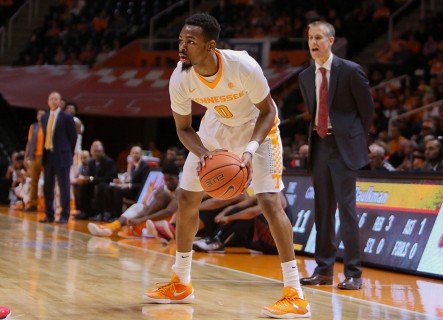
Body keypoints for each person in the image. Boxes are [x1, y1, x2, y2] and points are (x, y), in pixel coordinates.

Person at [143, 13, 309, 319]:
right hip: (215, 127)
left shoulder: (242, 65)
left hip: (257, 128)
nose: (182, 47)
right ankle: (181, 282)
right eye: (180, 40)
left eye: (190, 41)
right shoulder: (180, 77)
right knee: (186, 198)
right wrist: (203, 153)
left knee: (270, 202)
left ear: (210, 46)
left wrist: (249, 150)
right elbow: (183, 129)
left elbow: (268, 111)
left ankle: (294, 293)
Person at [298, 21, 374, 290]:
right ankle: (323, 270)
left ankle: (353, 273)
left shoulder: (351, 71)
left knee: (347, 210)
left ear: (331, 41)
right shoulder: (305, 76)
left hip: (344, 148)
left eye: (318, 37)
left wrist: (354, 140)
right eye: (310, 38)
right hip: (319, 146)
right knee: (322, 211)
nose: (313, 42)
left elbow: (367, 112)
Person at [88, 162, 179, 237]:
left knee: (162, 196)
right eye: (166, 180)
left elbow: (168, 212)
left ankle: (137, 227)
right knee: (138, 206)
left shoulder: (181, 191)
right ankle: (110, 227)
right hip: (151, 218)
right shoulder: (162, 188)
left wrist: (141, 219)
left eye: (170, 180)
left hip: (169, 223)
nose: (168, 183)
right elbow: (149, 207)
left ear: (177, 178)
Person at [40, 91, 77, 224]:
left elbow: (73, 137)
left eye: (56, 99)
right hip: (48, 155)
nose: (54, 101)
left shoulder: (66, 117)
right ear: (48, 102)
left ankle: (64, 215)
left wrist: (68, 152)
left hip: (62, 156)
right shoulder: (44, 117)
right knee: (47, 187)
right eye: (52, 99)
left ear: (60, 102)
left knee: (64, 187)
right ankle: (49, 215)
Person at [101, 145, 150, 220]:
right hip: (130, 188)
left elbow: (143, 185)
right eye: (133, 153)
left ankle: (117, 215)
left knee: (117, 190)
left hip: (137, 192)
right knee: (109, 187)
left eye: (136, 153)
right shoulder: (133, 166)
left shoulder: (145, 167)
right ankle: (109, 213)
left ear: (141, 154)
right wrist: (121, 182)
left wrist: (128, 185)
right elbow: (131, 180)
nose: (134, 154)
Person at [74, 140, 117, 221]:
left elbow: (109, 178)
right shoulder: (91, 162)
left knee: (101, 186)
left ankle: (100, 213)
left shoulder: (109, 162)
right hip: (95, 183)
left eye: (99, 151)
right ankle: (84, 211)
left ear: (103, 151)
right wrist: (85, 179)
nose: (97, 153)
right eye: (95, 151)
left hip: (106, 184)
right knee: (82, 184)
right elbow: (90, 175)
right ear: (91, 152)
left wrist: (91, 179)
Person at [24, 109, 46, 211]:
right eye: (39, 114)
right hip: (34, 156)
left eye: (42, 114)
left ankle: (46, 204)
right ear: (36, 116)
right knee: (33, 181)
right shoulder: (33, 127)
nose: (40, 116)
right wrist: (26, 156)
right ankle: (33, 204)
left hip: (45, 157)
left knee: (47, 182)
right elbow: (29, 142)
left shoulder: (47, 127)